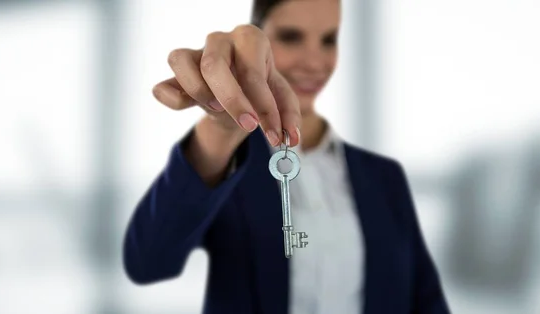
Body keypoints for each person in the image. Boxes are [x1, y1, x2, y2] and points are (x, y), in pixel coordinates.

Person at [122, 0, 450, 313]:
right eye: (292, 37)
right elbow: (148, 262)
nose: (314, 61)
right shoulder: (228, 168)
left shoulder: (385, 177)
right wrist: (221, 130)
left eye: (328, 40)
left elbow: (424, 299)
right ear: (257, 42)